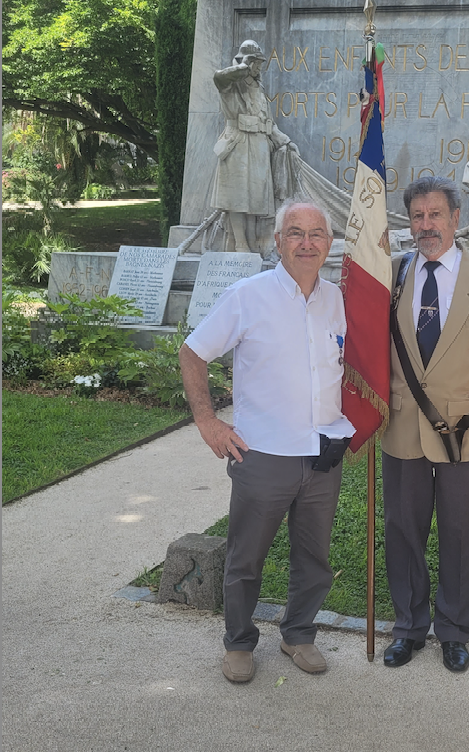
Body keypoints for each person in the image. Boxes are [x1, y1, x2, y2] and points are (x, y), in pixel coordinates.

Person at [179, 202, 352, 683]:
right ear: (277, 242)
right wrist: (208, 421)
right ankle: (238, 642)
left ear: (329, 244)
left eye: (317, 234)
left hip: (323, 453)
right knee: (247, 556)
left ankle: (299, 634)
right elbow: (192, 352)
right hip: (264, 456)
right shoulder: (246, 296)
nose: (307, 243)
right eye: (295, 233)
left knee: (314, 557)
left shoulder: (337, 300)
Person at [380, 177, 469, 673]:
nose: (426, 226)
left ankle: (455, 631)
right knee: (403, 530)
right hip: (402, 428)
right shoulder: (392, 274)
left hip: (465, 430)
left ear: (457, 219)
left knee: (460, 534)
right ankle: (409, 627)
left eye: (435, 215)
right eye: (417, 216)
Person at [211, 40, 296, 253]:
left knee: (254, 196)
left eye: (259, 63)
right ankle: (239, 242)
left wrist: (282, 139)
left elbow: (266, 119)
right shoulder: (232, 81)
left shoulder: (258, 86)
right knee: (236, 195)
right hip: (237, 141)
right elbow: (218, 77)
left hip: (259, 143)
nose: (259, 67)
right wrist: (242, 65)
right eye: (255, 62)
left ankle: (248, 239)